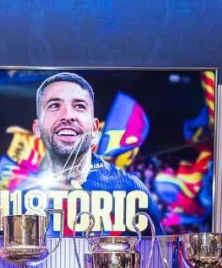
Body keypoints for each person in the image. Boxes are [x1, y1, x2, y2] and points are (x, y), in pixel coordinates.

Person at [24, 71, 160, 229]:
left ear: (95, 128)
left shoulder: (130, 190)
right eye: (54, 105)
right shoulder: (17, 195)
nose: (68, 116)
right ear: (37, 128)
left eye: (79, 106)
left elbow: (159, 245)